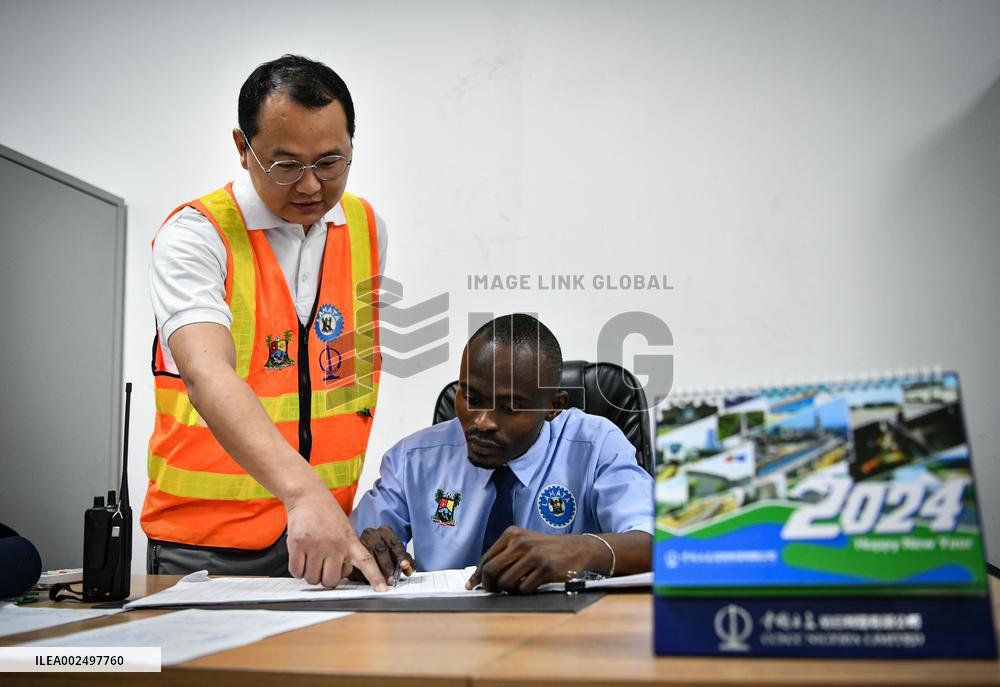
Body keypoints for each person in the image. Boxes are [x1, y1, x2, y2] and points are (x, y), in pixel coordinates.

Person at [142, 55, 388, 590]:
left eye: (330, 162)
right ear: (241, 147)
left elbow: (344, 377)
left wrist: (337, 509)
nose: (309, 186)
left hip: (326, 538)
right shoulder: (196, 236)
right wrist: (302, 492)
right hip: (206, 546)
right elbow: (209, 376)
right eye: (285, 164)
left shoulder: (366, 227)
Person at [350, 314, 653, 593]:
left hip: (564, 631)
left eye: (510, 408)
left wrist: (578, 550)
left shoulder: (596, 446)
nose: (482, 421)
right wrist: (361, 553)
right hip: (445, 634)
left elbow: (654, 542)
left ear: (553, 407)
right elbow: (349, 548)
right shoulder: (412, 460)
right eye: (471, 398)